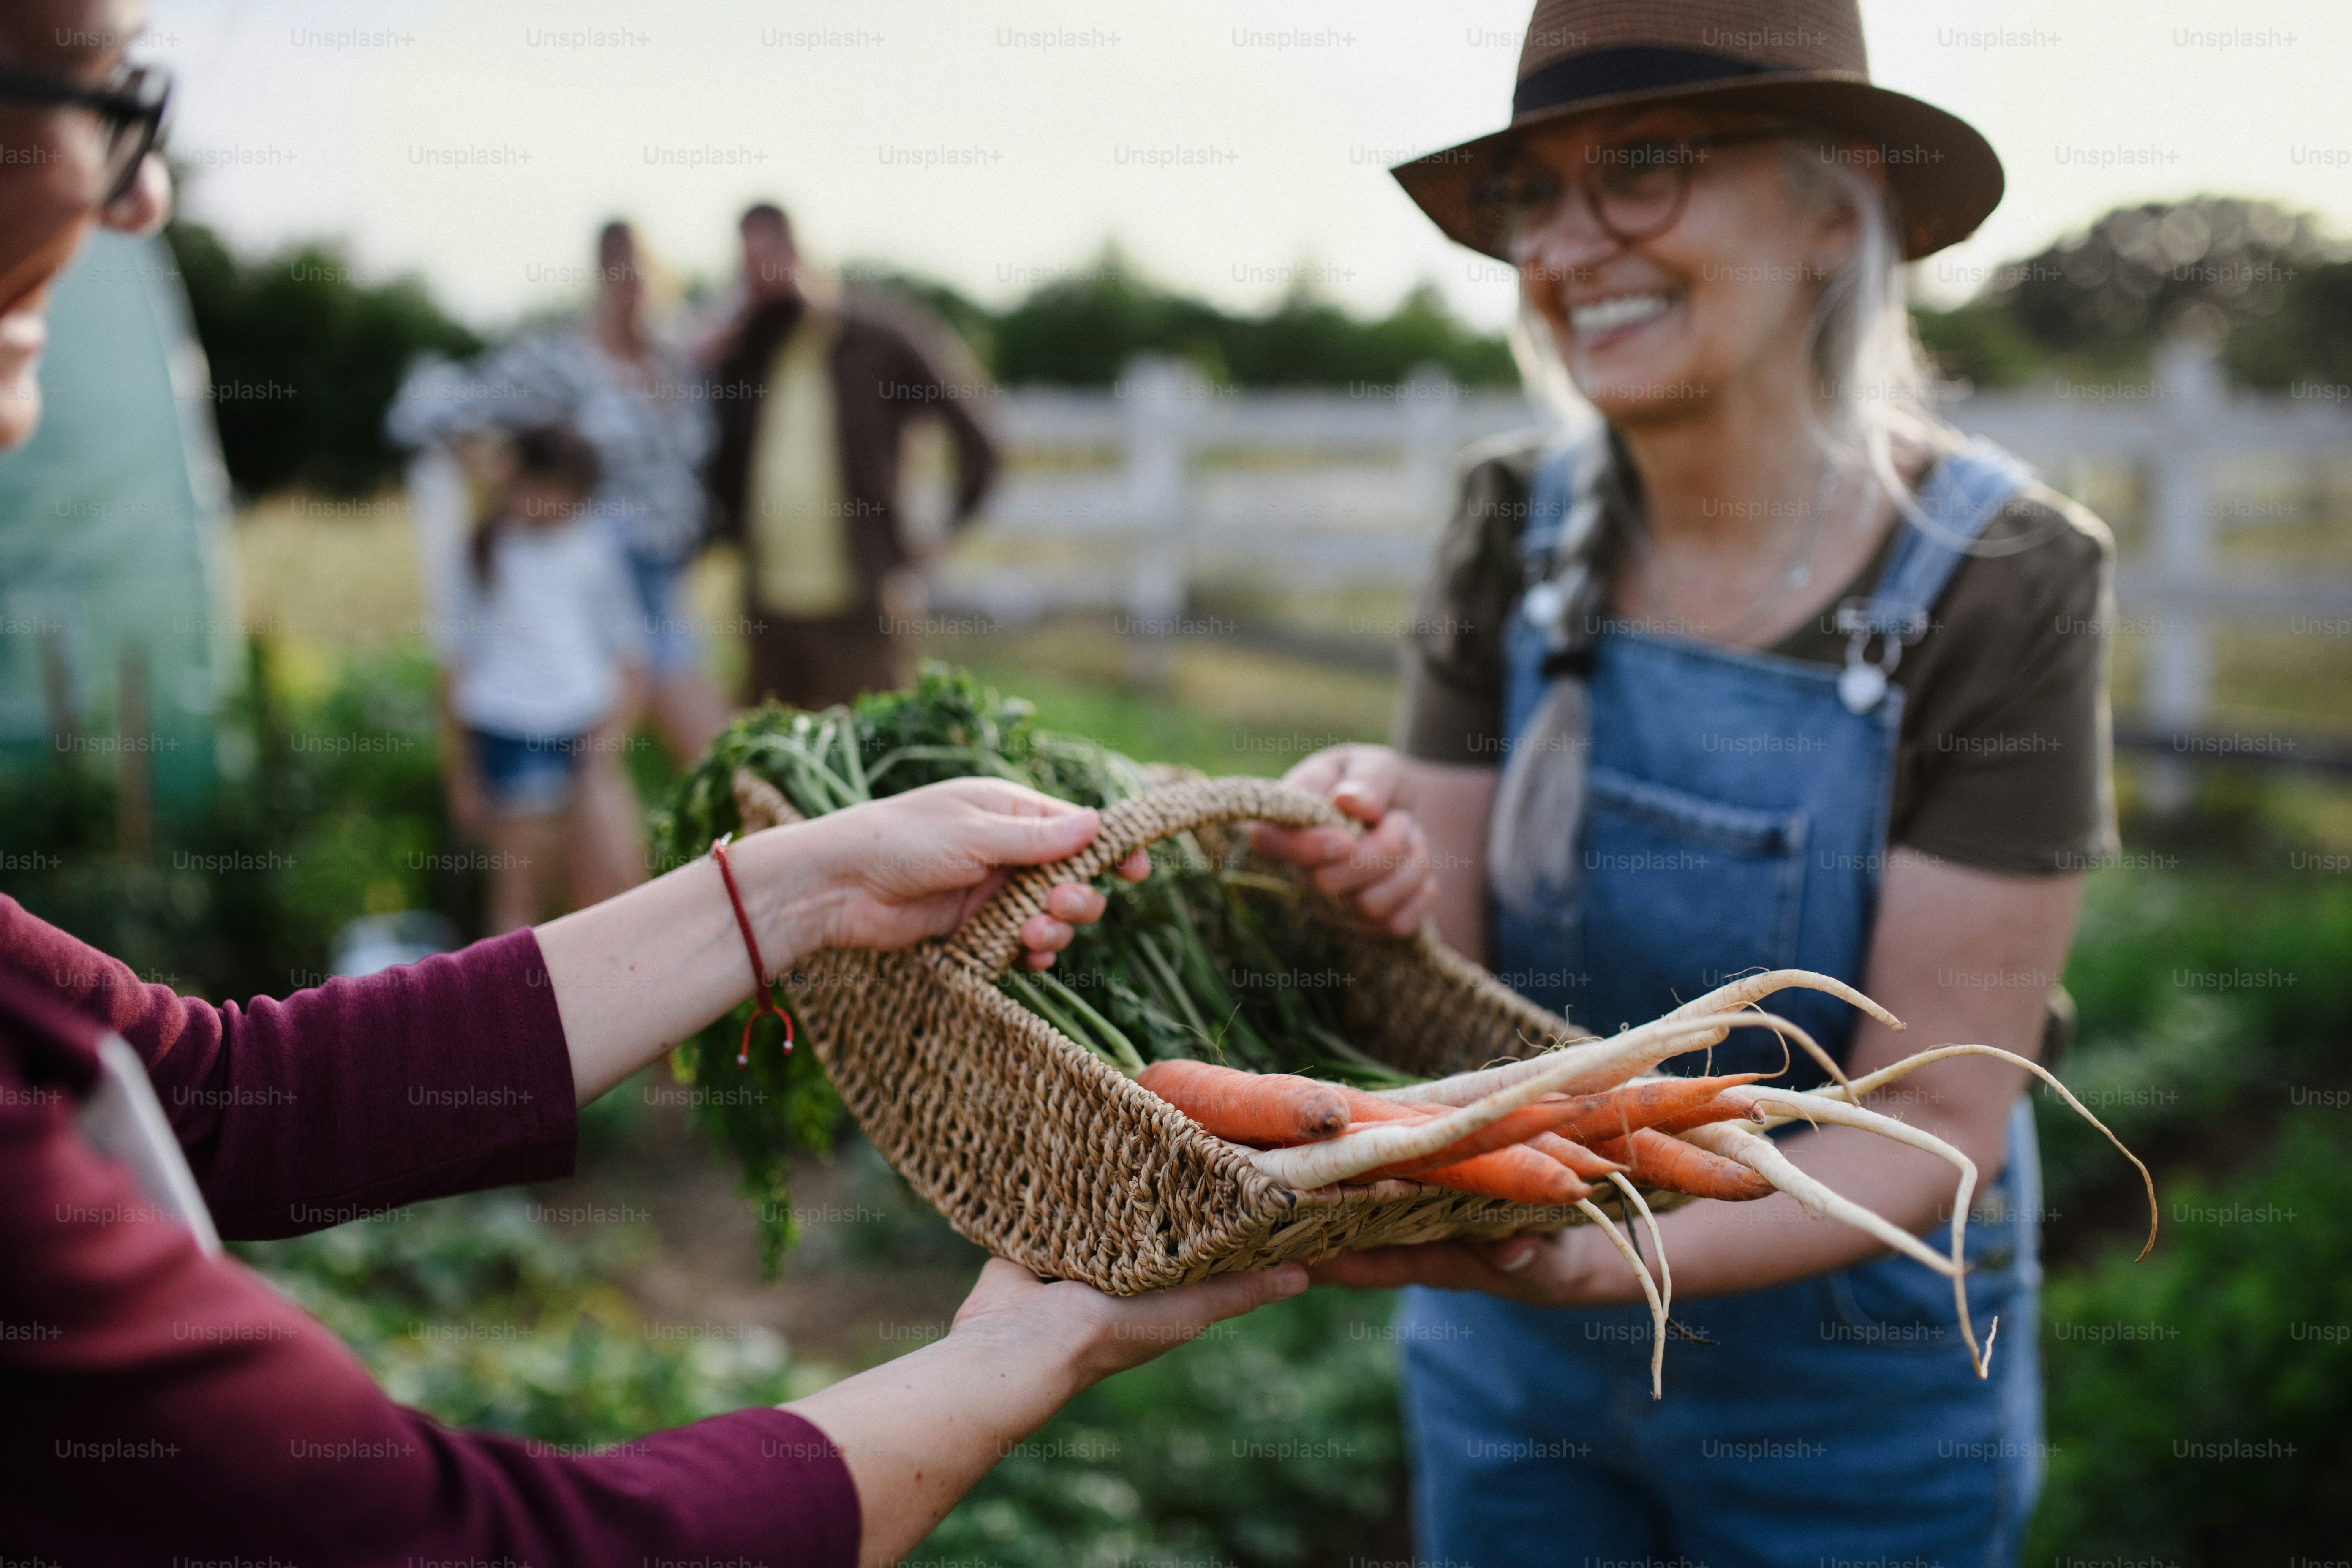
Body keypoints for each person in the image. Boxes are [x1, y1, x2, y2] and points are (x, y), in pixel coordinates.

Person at [0, 11, 1301, 1566]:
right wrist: (1011, 1361)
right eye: (112, 97)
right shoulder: (619, 373)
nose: (144, 197)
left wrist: (810, 878)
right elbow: (449, 1548)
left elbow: (221, 1096)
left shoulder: (814, 345)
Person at [1252, 3, 2116, 1563]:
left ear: (1826, 204)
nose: (1569, 244)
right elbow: (1430, 955)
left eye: (1641, 169)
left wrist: (1598, 1259)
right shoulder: (1509, 521)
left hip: (1851, 1398)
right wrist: (1364, 859)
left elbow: (1931, 1109)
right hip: (1510, 1363)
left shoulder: (2000, 578)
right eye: (1535, 190)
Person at [390, 219, 729, 765]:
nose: (631, 289)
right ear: (598, 279)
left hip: (672, 580)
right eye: (617, 275)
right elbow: (425, 411)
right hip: (608, 580)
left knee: (612, 766)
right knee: (710, 753)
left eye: (640, 274)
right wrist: (504, 474)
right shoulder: (561, 360)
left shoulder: (678, 361)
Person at [706, 202, 999, 709]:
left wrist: (939, 535)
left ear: (799, 254)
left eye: (769, 259)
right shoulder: (748, 351)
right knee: (776, 767)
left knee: (872, 759)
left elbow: (980, 440)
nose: (760, 278)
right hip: (768, 609)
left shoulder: (882, 339)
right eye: (747, 266)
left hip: (861, 606)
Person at [435, 422, 650, 932]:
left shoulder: (594, 544)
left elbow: (633, 659)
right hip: (509, 734)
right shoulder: (480, 552)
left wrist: (605, 748)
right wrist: (461, 771)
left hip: (585, 728)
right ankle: (512, 1009)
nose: (554, 504)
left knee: (617, 886)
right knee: (519, 903)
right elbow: (454, 668)